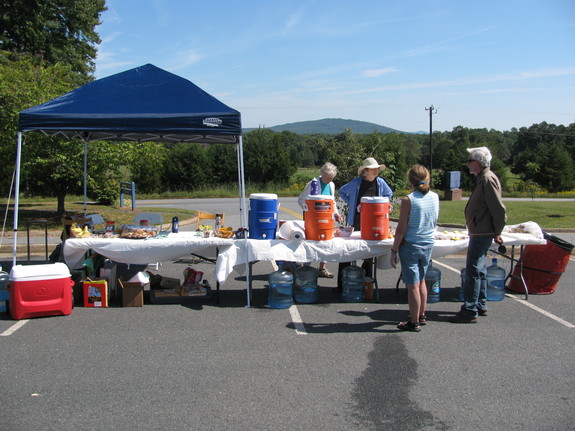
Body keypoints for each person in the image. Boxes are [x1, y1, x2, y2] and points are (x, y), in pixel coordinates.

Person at [450, 146, 507, 323]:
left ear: (478, 162)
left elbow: (498, 209)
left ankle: (470, 309)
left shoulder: (487, 179)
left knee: (473, 270)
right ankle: (480, 304)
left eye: (470, 160)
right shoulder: (483, 178)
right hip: (481, 229)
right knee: (479, 269)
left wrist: (497, 231)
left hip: (483, 231)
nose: (467, 164)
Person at [390, 165, 439, 332]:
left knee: (412, 284)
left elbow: (401, 229)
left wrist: (394, 250)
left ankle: (414, 321)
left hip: (411, 244)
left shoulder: (408, 200)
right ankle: (422, 314)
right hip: (427, 243)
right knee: (422, 280)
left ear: (410, 181)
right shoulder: (435, 197)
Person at [337, 157, 393, 290]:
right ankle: (342, 284)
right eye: (374, 169)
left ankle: (366, 282)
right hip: (356, 220)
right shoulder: (356, 182)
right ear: (366, 171)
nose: (376, 171)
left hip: (373, 221)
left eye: (377, 169)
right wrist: (352, 202)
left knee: (370, 251)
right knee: (347, 250)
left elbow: (389, 194)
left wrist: (381, 205)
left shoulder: (380, 183)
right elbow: (341, 192)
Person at [298, 162, 343, 278]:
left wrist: (336, 214)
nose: (330, 180)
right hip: (313, 219)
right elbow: (301, 199)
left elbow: (332, 202)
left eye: (332, 178)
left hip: (327, 218)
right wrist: (309, 211)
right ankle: (305, 267)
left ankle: (322, 268)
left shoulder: (331, 185)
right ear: (322, 174)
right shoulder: (313, 184)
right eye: (328, 178)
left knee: (326, 242)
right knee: (311, 241)